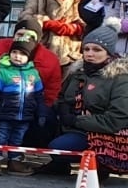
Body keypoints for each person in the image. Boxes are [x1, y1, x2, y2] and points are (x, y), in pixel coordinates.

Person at [51, 31, 128, 172]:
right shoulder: (76, 72)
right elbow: (62, 97)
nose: (90, 54)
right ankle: (57, 164)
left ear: (109, 53)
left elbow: (117, 119)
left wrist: (76, 120)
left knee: (59, 147)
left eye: (97, 50)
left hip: (99, 133)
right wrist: (62, 109)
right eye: (86, 49)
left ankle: (102, 165)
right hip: (70, 126)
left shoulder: (120, 78)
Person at [0, 29, 45, 175]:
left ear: (29, 57)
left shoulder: (34, 74)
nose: (17, 56)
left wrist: (41, 114)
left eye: (22, 54)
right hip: (4, 115)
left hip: (25, 116)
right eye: (15, 52)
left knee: (17, 140)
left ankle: (14, 162)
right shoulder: (2, 73)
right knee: (0, 137)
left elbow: (39, 96)